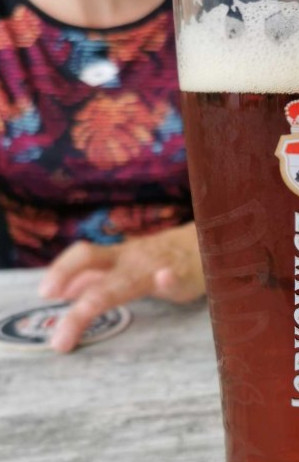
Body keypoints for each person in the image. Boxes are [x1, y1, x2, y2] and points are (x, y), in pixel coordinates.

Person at [0, 0, 205, 352]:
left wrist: (204, 248)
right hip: (32, 308)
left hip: (211, 292)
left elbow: (292, 179)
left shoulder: (230, 14)